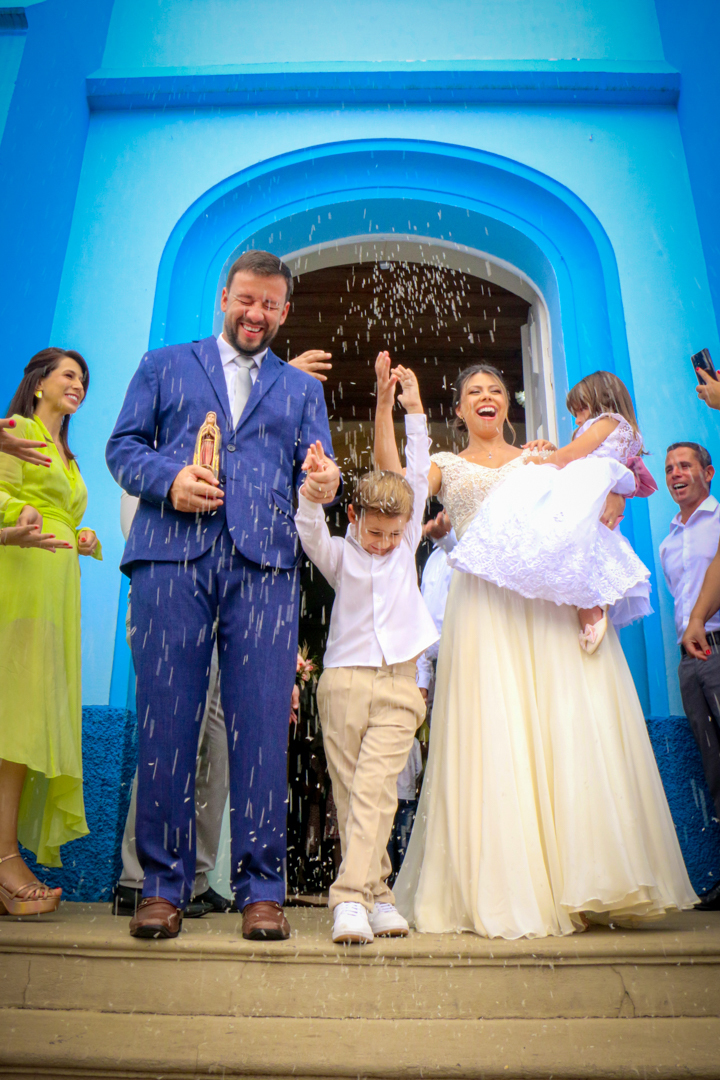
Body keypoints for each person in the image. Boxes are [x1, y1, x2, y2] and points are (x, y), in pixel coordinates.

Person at [384, 363, 697, 939]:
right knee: (496, 732)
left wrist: (612, 501)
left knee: (565, 725)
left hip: (546, 600)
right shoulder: (446, 465)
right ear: (459, 409)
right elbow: (397, 488)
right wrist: (398, 410)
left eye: (496, 391)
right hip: (482, 602)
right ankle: (506, 885)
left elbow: (586, 493)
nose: (486, 397)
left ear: (509, 404)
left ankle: (580, 880)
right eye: (474, 392)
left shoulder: (540, 454)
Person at [106, 250, 340, 941]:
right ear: (224, 297)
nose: (256, 314)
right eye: (246, 299)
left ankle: (261, 888)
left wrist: (322, 482)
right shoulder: (163, 364)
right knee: (167, 723)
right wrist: (168, 478)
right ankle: (161, 885)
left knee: (264, 727)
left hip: (265, 567)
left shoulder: (301, 391)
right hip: (170, 558)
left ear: (284, 312)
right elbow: (122, 448)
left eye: (270, 305)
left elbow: (315, 467)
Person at [294, 356, 437, 944]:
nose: (381, 544)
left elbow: (418, 473)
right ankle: (378, 894)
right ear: (353, 517)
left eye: (392, 534)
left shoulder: (404, 546)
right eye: (372, 532)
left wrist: (412, 411)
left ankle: (346, 898)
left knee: (377, 789)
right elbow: (307, 529)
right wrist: (309, 491)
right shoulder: (339, 554)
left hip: (399, 684)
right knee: (355, 796)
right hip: (343, 683)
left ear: (408, 525)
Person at [449, 370, 654, 653]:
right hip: (590, 488)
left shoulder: (607, 422)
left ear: (601, 401)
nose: (579, 419)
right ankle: (589, 610)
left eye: (581, 410)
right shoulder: (615, 430)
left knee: (554, 529)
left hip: (584, 486)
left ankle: (589, 610)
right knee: (578, 549)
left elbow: (572, 455)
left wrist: (537, 461)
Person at [0, 348, 101, 916]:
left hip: (56, 594)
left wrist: (80, 535)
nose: (79, 385)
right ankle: (4, 860)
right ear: (38, 382)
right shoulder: (15, 430)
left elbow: (55, 509)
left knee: (25, 725)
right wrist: (20, 519)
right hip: (21, 589)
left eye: (84, 380)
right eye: (69, 375)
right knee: (13, 726)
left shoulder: (66, 452)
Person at [113, 494, 231, 918]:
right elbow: (137, 532)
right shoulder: (154, 460)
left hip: (222, 614)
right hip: (169, 605)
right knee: (169, 745)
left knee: (215, 754)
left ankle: (195, 877)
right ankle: (139, 877)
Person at [661, 443, 720, 911]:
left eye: (684, 466)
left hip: (719, 648)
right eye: (668, 469)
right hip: (690, 660)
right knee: (713, 767)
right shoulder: (667, 541)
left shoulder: (718, 521)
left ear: (708, 472)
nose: (676, 474)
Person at [416, 511, 456, 704]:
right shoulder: (433, 558)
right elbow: (424, 617)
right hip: (435, 669)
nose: (440, 514)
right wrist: (423, 678)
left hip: (463, 663)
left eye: (446, 510)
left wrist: (447, 540)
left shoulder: (472, 553)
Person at [387, 737, 423, 884]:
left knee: (389, 837)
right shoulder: (413, 742)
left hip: (390, 793)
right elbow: (418, 769)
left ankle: (388, 876)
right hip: (407, 795)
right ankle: (404, 877)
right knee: (405, 836)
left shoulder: (389, 738)